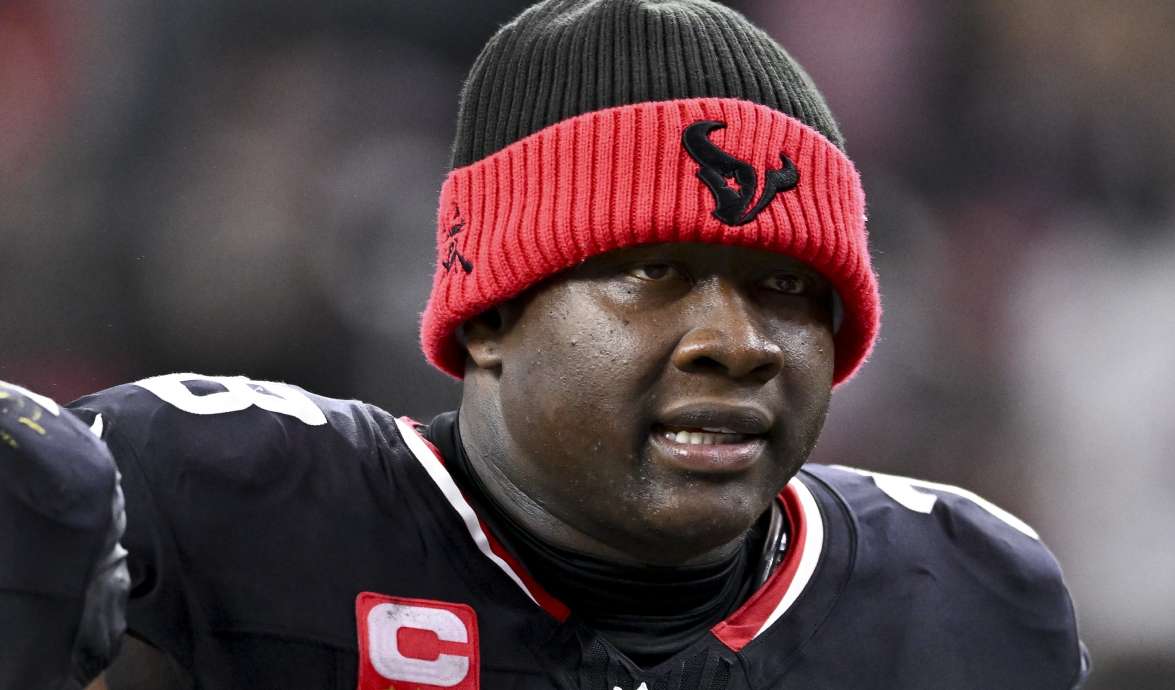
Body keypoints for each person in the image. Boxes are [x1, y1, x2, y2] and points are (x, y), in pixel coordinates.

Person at [0, 1, 1090, 688]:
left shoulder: (960, 594)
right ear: (487, 314)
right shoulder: (210, 497)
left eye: (786, 288)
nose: (738, 343)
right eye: (650, 274)